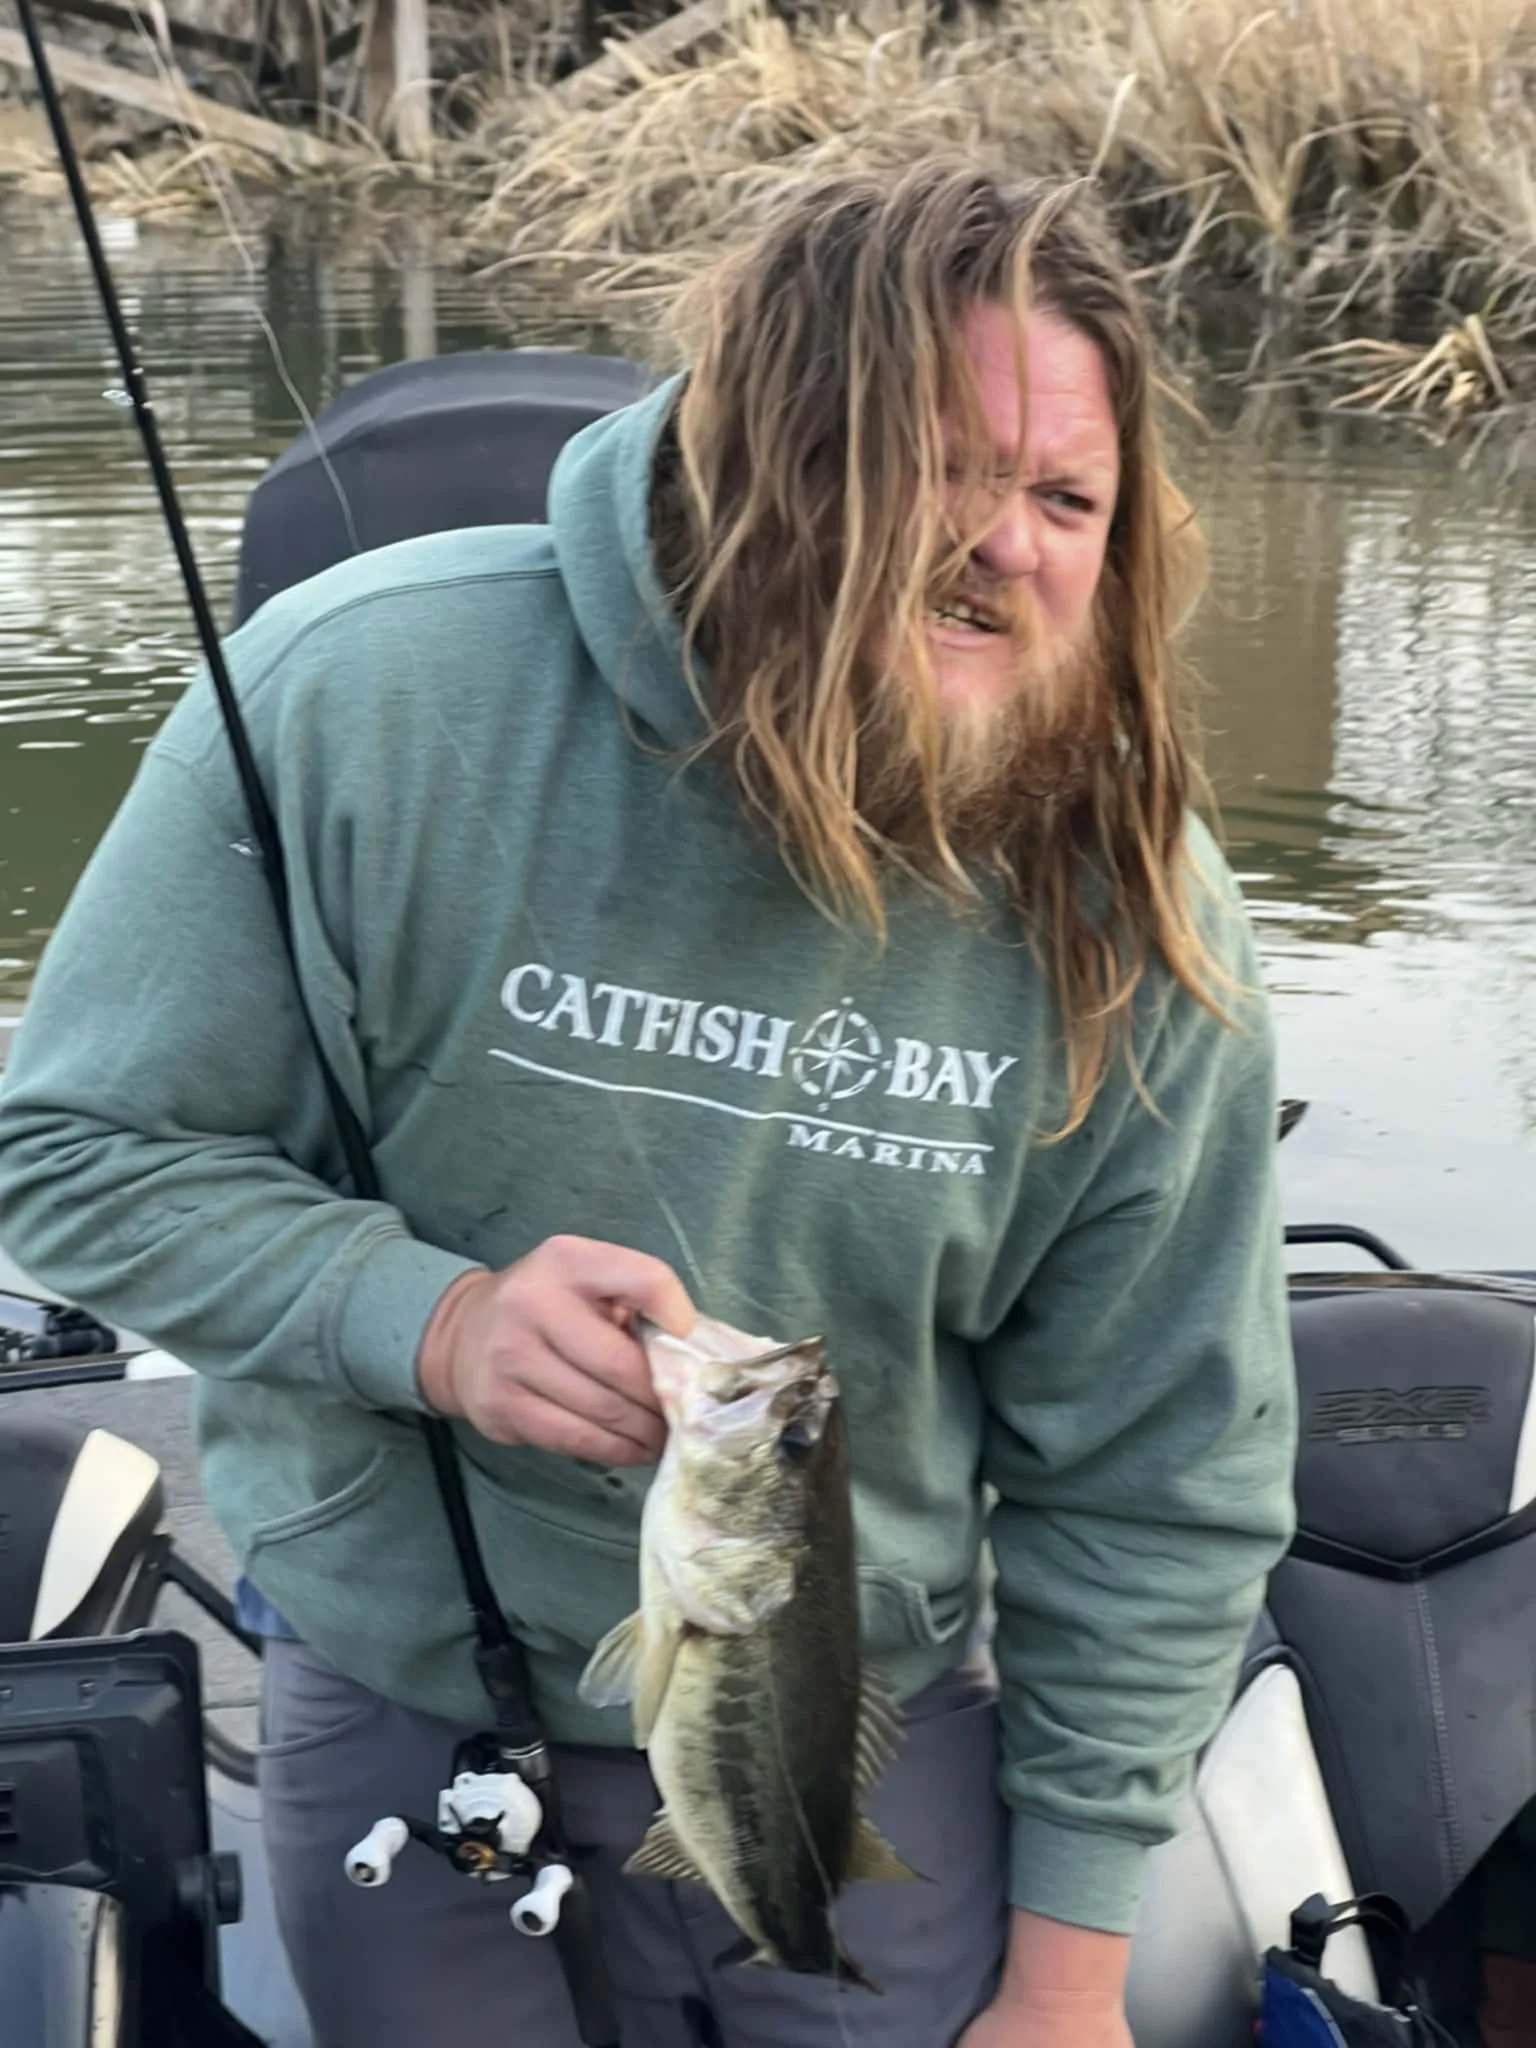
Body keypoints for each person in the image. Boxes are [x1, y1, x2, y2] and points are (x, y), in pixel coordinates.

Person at [0, 159, 1297, 2047]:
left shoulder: (1137, 910)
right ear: (761, 458)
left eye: (1065, 498)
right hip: (406, 1678)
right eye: (934, 469)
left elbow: (1161, 1478)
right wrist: (433, 1320)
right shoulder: (357, 695)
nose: (1004, 545)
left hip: (868, 1713)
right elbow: (74, 1152)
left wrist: (1069, 1976)